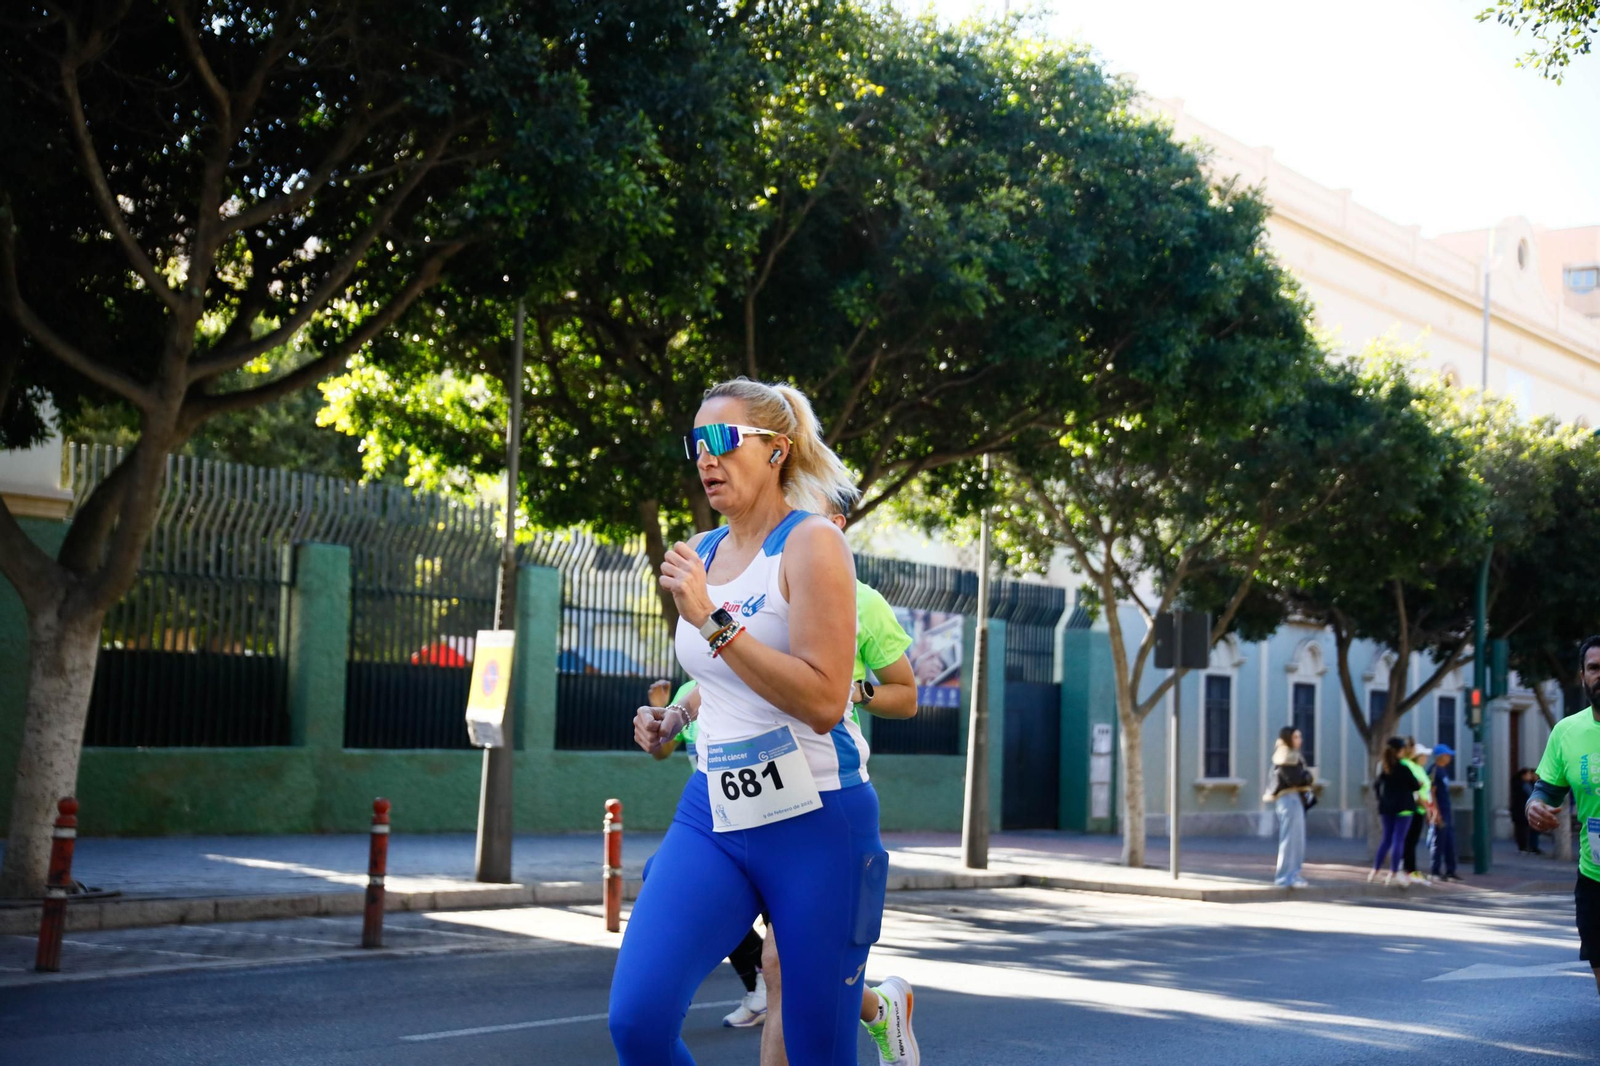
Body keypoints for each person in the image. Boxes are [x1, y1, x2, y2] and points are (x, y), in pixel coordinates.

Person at [610, 378, 892, 1066]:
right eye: (696, 444)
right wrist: (668, 721)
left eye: (722, 441)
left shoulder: (814, 544)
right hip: (714, 812)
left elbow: (826, 700)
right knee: (637, 1022)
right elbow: (720, 681)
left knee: (815, 1050)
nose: (705, 458)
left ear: (775, 451)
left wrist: (710, 618)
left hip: (817, 819)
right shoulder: (698, 554)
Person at [1525, 635, 1600, 998]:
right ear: (1583, 676)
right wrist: (1534, 806)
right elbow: (1547, 790)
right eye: (1594, 668)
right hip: (1594, 876)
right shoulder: (1567, 732)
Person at [1264, 726, 1314, 888]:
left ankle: (1293, 875)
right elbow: (1297, 779)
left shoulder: (1292, 755)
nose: (1300, 740)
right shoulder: (1286, 756)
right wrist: (1307, 777)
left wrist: (1306, 777)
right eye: (1296, 737)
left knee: (1297, 840)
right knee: (1290, 840)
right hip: (1289, 799)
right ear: (1288, 738)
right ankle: (1285, 877)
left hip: (1293, 799)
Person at [1370, 736, 1421, 887]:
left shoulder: (1383, 768)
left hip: (1387, 808)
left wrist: (1382, 800)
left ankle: (1375, 870)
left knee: (1386, 839)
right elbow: (1415, 786)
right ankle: (1392, 872)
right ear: (1400, 751)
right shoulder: (1404, 768)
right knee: (1399, 840)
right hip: (1404, 808)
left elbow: (1376, 786)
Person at [1401, 738, 1435, 886]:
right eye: (1424, 755)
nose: (1426, 758)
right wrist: (1427, 808)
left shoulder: (1419, 769)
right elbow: (1416, 791)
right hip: (1413, 809)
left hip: (1420, 809)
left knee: (1412, 841)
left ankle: (1410, 870)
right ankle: (1409, 871)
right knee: (1409, 841)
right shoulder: (1410, 767)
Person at [1427, 744, 1461, 882]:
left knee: (1449, 842)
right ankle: (1435, 871)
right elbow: (1430, 792)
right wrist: (1435, 812)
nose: (1450, 757)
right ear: (1441, 756)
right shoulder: (1434, 770)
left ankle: (1450, 871)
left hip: (1446, 810)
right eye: (1448, 755)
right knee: (1438, 842)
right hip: (1440, 811)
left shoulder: (1443, 770)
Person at [1514, 768, 1544, 854]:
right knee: (1525, 830)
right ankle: (1527, 847)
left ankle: (1531, 846)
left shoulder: (1530, 784)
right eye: (1529, 775)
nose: (1530, 776)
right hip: (1525, 810)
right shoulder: (1523, 785)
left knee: (1530, 829)